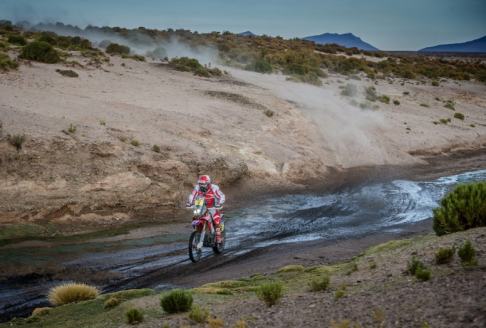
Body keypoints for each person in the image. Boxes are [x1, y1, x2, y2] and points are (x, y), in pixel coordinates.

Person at [186, 175, 225, 243]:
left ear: (208, 183)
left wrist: (219, 203)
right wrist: (190, 203)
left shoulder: (214, 188)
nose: (201, 185)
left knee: (216, 219)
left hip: (212, 206)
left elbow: (221, 196)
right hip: (200, 205)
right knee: (195, 216)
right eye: (200, 183)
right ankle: (197, 232)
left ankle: (218, 237)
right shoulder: (197, 187)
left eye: (203, 184)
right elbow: (192, 195)